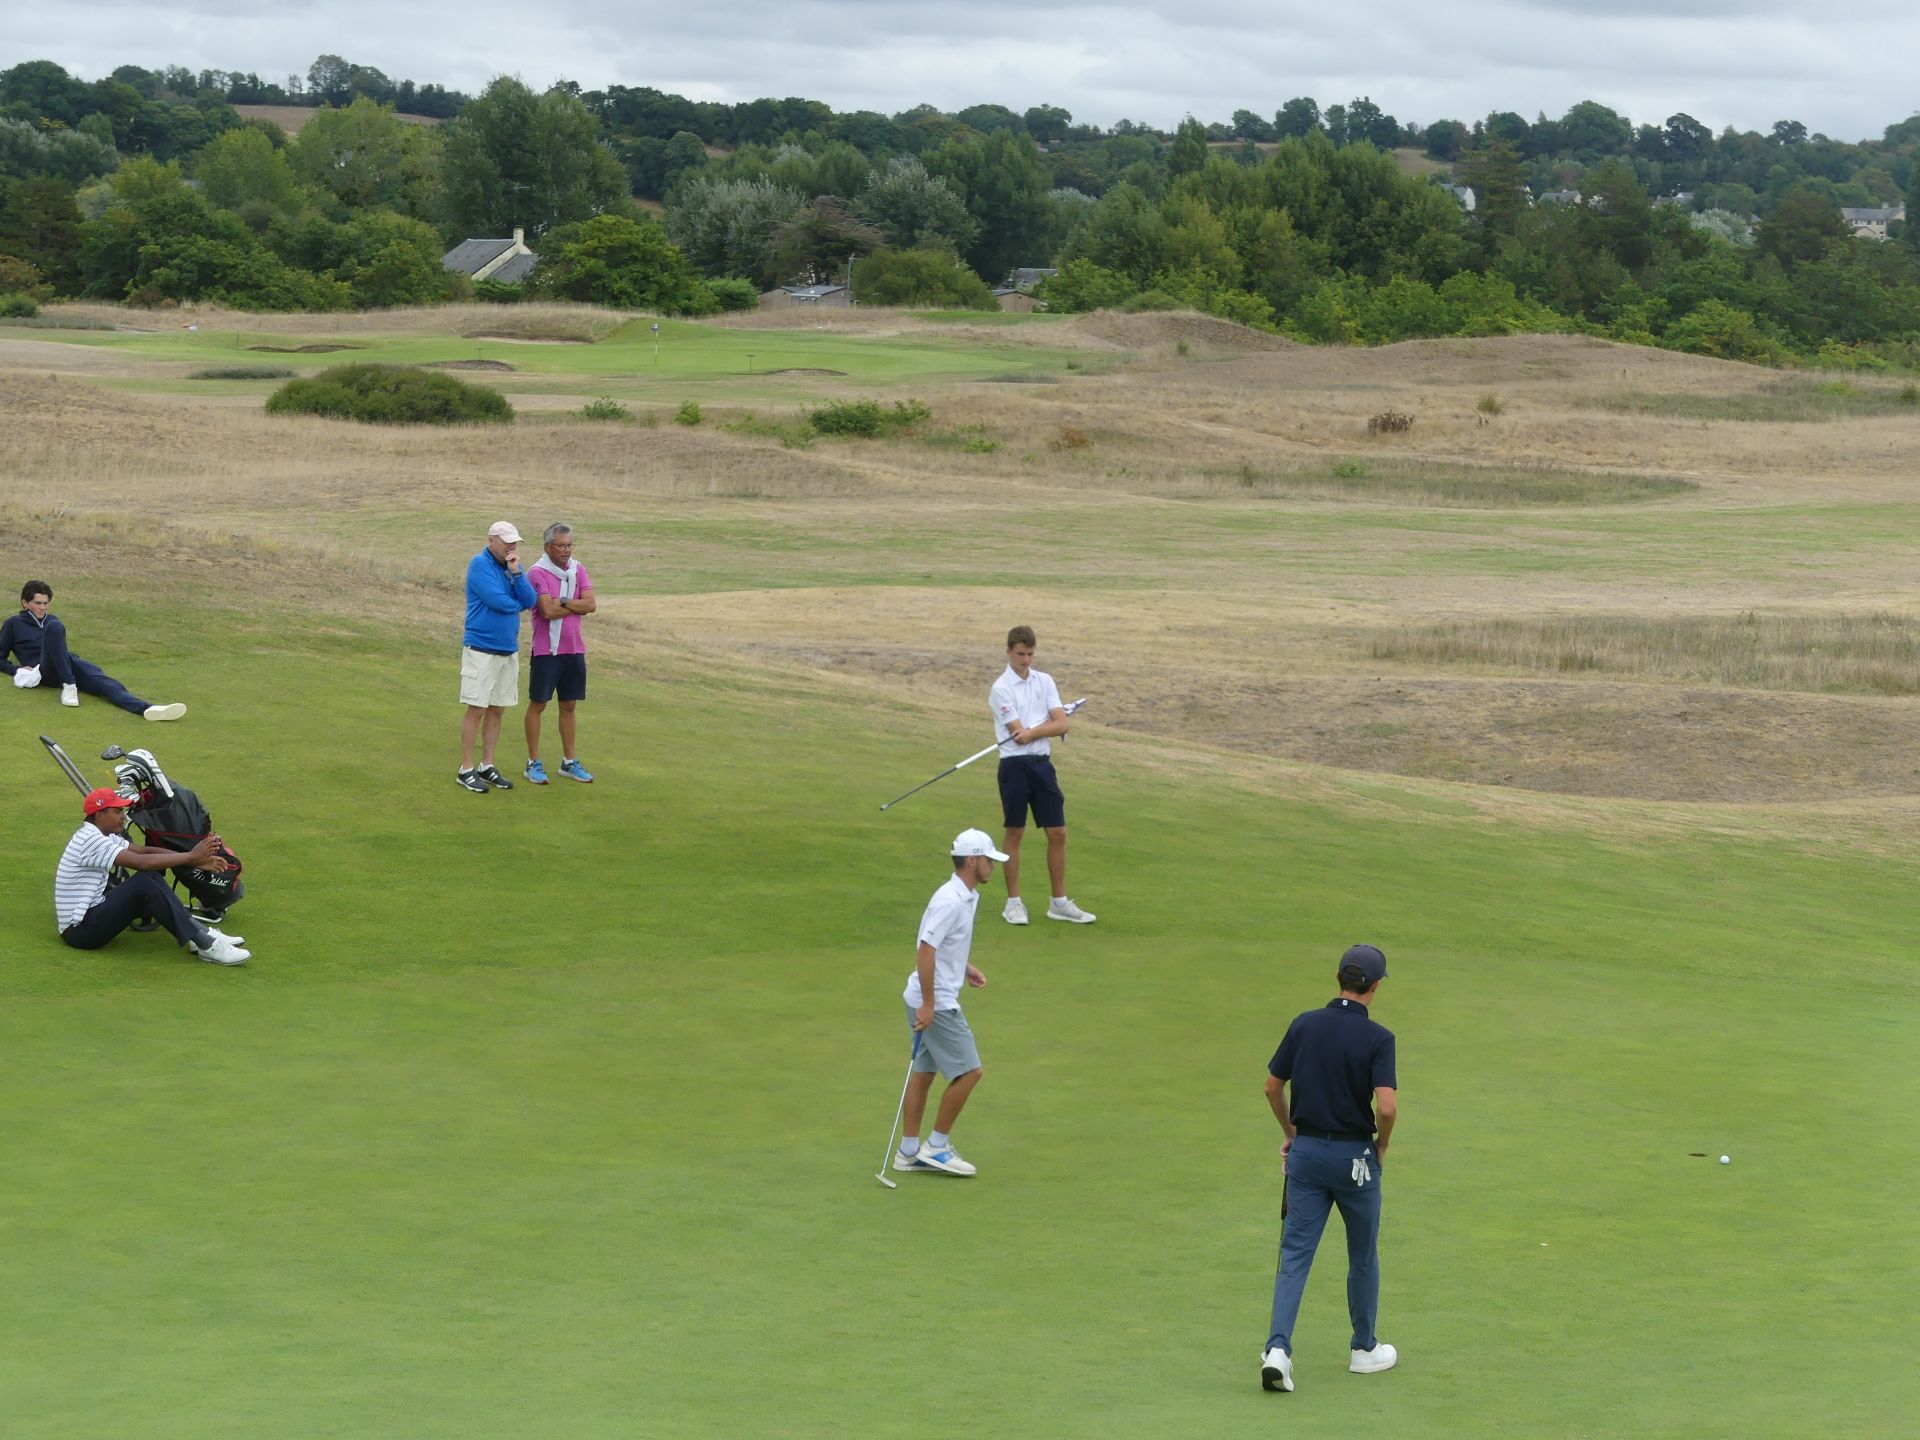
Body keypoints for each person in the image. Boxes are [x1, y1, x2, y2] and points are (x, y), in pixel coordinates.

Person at [1260, 943, 1399, 1393]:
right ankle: (1364, 1349)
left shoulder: (1304, 1024)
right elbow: (1387, 1108)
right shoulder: (1379, 1038)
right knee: (1362, 1254)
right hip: (1356, 1159)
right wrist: (1381, 1147)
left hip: (1307, 1154)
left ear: (1338, 977)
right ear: (1375, 987)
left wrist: (1291, 1132)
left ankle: (1277, 1351)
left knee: (1295, 1254)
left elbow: (1272, 1087)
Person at [893, 828, 1006, 1178]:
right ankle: (936, 1146)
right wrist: (929, 1004)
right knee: (970, 1071)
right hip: (936, 1001)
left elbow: (943, 944)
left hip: (927, 995)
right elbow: (925, 950)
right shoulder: (951, 900)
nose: (993, 866)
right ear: (972, 861)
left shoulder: (965, 896)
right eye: (988, 860)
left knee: (925, 1071)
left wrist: (965, 967)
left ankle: (908, 1152)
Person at [55, 787, 249, 965]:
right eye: (117, 811)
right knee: (144, 881)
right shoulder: (91, 840)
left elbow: (143, 851)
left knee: (149, 878)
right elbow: (142, 863)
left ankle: (200, 934)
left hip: (90, 917)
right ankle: (206, 944)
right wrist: (192, 856)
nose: (123, 816)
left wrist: (194, 861)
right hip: (80, 932)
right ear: (100, 815)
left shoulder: (102, 836)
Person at [990, 625, 1093, 925]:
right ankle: (1013, 903)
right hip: (1014, 766)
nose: (1026, 660)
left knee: (1058, 832)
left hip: (1042, 765)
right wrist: (1042, 729)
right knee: (1015, 832)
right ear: (1009, 652)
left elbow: (1062, 724)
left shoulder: (1044, 681)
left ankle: (1059, 903)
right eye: (1020, 654)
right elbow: (1018, 735)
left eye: (1030, 654)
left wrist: (1035, 731)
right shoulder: (1000, 689)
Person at [2, 580, 188, 721]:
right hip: (44, 671)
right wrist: (16, 669)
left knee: (106, 684)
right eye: (38, 603)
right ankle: (69, 686)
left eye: (45, 603)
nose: (42, 608)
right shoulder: (13, 624)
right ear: (25, 603)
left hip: (68, 663)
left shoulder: (51, 619)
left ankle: (148, 709)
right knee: (55, 626)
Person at [458, 521, 536, 794]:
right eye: (506, 541)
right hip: (481, 647)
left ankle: (486, 765)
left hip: (507, 649)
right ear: (491, 540)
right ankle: (466, 769)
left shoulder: (513, 567)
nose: (511, 546)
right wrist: (519, 603)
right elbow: (499, 601)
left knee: (497, 709)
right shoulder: (479, 564)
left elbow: (530, 600)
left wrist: (517, 573)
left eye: (514, 541)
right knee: (476, 708)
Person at [523, 522, 596, 785]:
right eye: (561, 546)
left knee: (569, 705)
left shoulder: (578, 569)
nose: (566, 550)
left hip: (574, 649)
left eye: (569, 545)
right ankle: (533, 762)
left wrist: (563, 601)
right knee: (538, 704)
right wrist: (575, 605)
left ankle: (569, 762)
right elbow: (547, 611)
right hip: (547, 651)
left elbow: (591, 605)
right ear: (548, 547)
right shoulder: (537, 572)